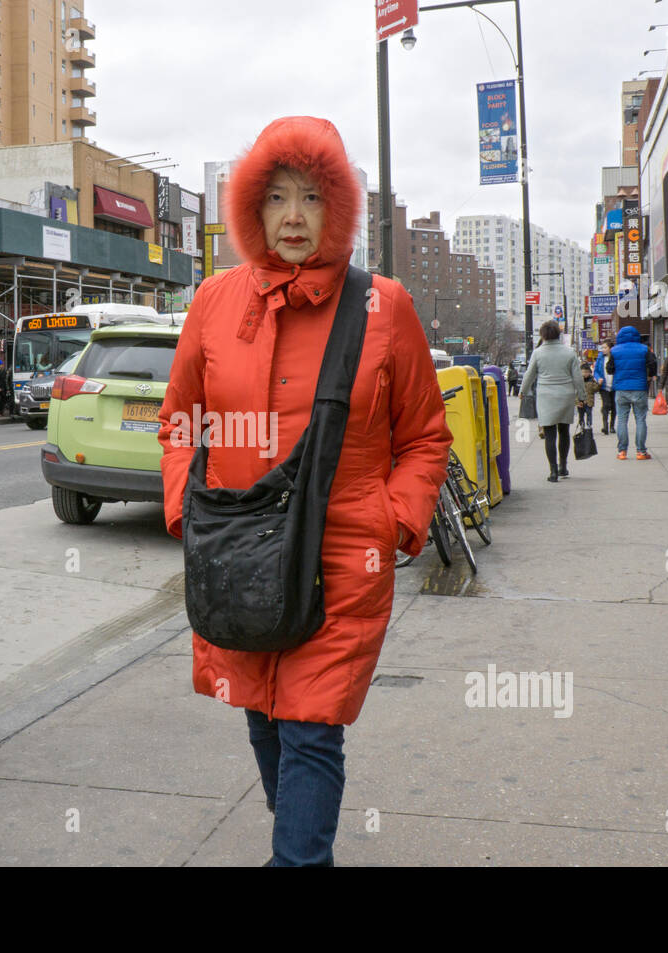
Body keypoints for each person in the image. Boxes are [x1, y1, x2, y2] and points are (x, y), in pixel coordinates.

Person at [157, 116, 451, 867]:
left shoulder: (385, 307)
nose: (294, 216)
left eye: (313, 198)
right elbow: (181, 421)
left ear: (339, 210)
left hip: (346, 556)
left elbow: (424, 435)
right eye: (278, 197)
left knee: (312, 727)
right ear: (252, 209)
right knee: (261, 712)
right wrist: (183, 510)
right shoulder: (215, 302)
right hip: (236, 552)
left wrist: (394, 521)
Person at [521, 320, 585, 481]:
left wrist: (523, 391)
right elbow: (578, 377)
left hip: (545, 396)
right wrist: (582, 396)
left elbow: (529, 374)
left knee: (549, 435)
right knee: (564, 432)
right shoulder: (569, 352)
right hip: (566, 395)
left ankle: (553, 471)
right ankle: (563, 466)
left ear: (543, 335)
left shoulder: (538, 353)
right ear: (558, 334)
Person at [607, 325, 658, 460]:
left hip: (621, 389)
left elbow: (609, 369)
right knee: (640, 419)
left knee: (622, 420)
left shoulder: (614, 351)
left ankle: (622, 451)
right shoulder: (644, 349)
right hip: (639, 388)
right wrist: (649, 376)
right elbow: (653, 365)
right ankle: (641, 451)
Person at [593, 337, 617, 434]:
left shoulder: (615, 357)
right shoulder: (600, 358)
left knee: (614, 406)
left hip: (614, 385)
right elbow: (596, 371)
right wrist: (598, 378)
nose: (603, 349)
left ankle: (612, 426)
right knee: (606, 405)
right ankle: (605, 426)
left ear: (610, 348)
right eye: (602, 348)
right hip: (603, 386)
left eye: (605, 347)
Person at [578, 361, 600, 430]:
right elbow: (576, 392)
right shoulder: (578, 381)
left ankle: (589, 424)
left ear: (590, 372)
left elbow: (595, 389)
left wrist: (599, 384)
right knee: (581, 414)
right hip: (580, 401)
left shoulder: (592, 380)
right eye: (583, 372)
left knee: (589, 413)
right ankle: (582, 424)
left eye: (587, 372)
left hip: (589, 401)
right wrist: (577, 401)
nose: (585, 374)